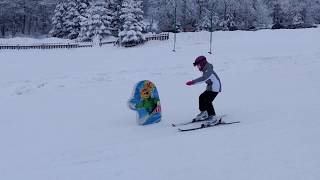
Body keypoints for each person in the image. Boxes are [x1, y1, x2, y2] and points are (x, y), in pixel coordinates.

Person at [186, 55, 222, 124]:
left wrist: (193, 82)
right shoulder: (206, 69)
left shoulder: (208, 69)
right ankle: (204, 112)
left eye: (198, 65)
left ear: (202, 63)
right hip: (211, 87)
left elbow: (204, 78)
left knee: (207, 101)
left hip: (215, 88)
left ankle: (213, 116)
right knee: (202, 97)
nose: (198, 67)